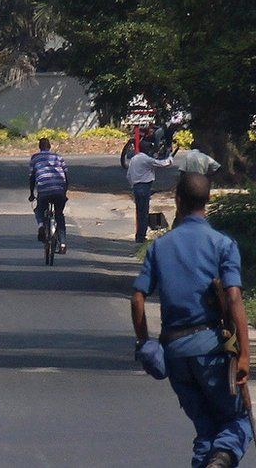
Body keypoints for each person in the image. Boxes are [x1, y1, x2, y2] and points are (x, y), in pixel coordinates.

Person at [130, 173, 252, 468]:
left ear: (178, 200)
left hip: (176, 354)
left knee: (205, 428)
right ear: (209, 200)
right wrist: (245, 355)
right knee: (236, 421)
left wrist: (146, 342)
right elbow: (234, 298)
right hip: (212, 350)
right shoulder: (222, 244)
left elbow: (137, 298)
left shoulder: (160, 247)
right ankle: (222, 459)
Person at [126, 141, 174, 243]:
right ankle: (141, 237)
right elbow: (161, 164)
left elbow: (129, 175)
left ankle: (139, 235)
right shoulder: (146, 159)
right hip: (144, 187)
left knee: (139, 212)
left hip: (136, 187)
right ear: (147, 150)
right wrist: (170, 158)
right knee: (144, 213)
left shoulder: (134, 159)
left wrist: (133, 186)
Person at [28, 138, 69, 253]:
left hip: (44, 190)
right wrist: (64, 192)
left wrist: (31, 193)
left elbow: (32, 177)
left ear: (39, 147)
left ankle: (41, 225)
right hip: (59, 189)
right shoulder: (58, 157)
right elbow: (66, 176)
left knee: (39, 209)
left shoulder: (35, 158)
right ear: (50, 146)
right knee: (59, 215)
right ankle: (63, 244)